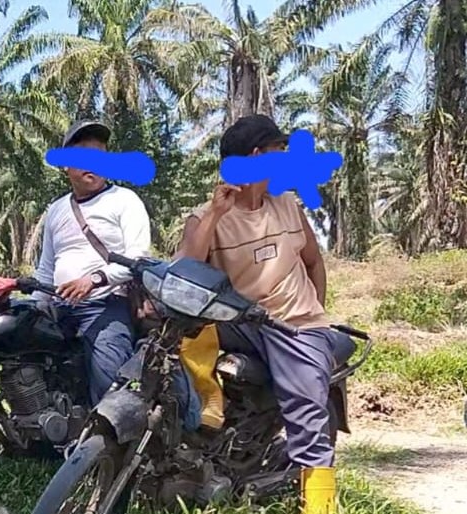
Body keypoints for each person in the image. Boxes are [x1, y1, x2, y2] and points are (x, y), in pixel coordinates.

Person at [176, 114, 337, 505]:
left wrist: (312, 316)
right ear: (256, 156)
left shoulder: (288, 205)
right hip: (243, 321)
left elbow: (314, 262)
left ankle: (319, 506)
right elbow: (184, 274)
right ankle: (205, 409)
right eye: (279, 149)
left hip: (294, 324)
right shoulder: (206, 216)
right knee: (178, 330)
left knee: (307, 417)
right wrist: (215, 214)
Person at [32, 120, 151, 407]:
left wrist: (94, 280)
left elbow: (137, 259)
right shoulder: (56, 209)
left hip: (106, 305)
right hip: (59, 308)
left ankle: (111, 431)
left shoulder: (125, 200)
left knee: (109, 385)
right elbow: (46, 267)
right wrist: (34, 306)